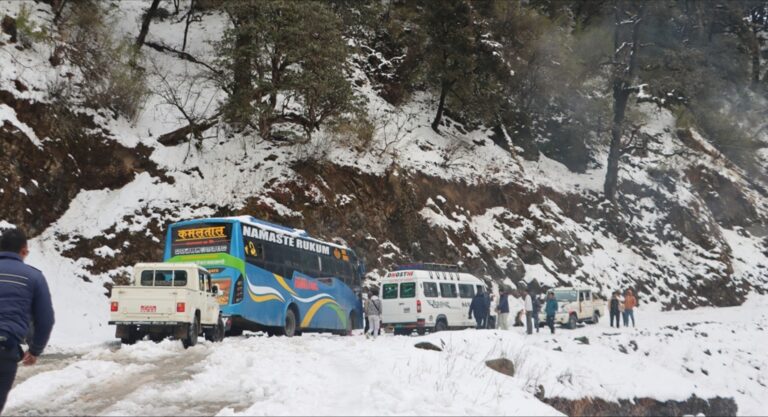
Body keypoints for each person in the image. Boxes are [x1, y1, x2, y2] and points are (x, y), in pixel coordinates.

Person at [0, 228, 55, 414]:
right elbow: (45, 319)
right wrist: (35, 350)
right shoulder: (34, 277)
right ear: (24, 251)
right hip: (4, 349)